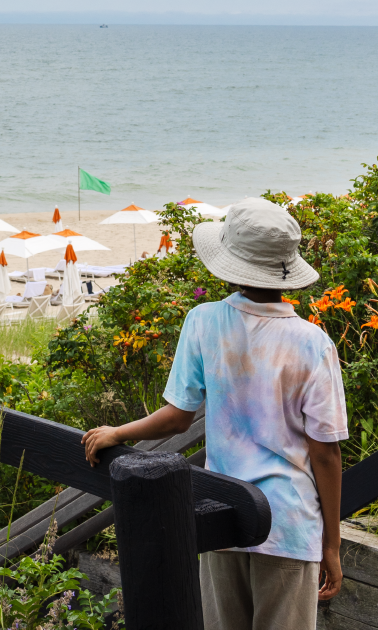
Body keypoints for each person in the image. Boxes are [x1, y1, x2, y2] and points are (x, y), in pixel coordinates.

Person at [81, 199, 346, 629]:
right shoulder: (312, 343)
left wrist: (117, 432)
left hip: (224, 514)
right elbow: (326, 454)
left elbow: (176, 417)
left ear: (230, 264)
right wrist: (331, 545)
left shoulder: (204, 321)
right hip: (289, 525)